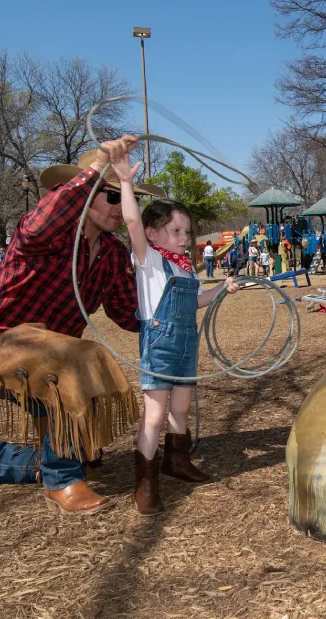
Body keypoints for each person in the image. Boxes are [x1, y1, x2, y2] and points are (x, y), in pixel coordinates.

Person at [0, 136, 159, 514]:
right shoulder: (46, 236)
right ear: (84, 193)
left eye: (125, 197)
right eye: (110, 195)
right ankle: (61, 481)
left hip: (54, 362)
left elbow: (129, 314)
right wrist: (96, 166)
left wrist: (176, 307)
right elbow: (37, 228)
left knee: (87, 461)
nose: (121, 206)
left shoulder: (112, 253)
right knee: (74, 356)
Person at [120, 153, 239, 515]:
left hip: (186, 342)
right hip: (159, 343)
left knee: (181, 407)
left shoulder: (186, 269)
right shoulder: (149, 261)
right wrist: (126, 182)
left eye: (187, 232)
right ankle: (146, 480)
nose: (184, 237)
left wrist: (221, 290)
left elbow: (195, 303)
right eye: (176, 230)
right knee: (155, 415)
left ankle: (176, 460)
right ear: (154, 233)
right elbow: (130, 220)